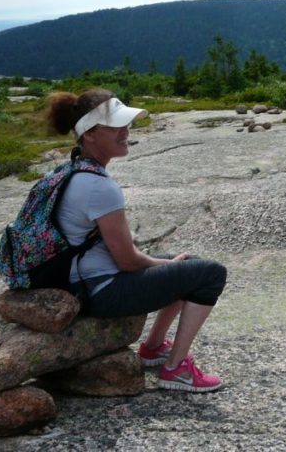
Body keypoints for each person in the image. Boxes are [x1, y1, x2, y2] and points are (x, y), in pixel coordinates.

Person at [46, 87, 227, 393]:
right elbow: (127, 260)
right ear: (89, 134)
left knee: (186, 265)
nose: (125, 131)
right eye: (116, 126)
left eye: (125, 123)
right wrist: (165, 263)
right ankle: (175, 370)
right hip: (99, 290)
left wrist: (167, 263)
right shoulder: (98, 187)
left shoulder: (70, 170)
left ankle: (154, 348)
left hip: (79, 281)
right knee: (209, 274)